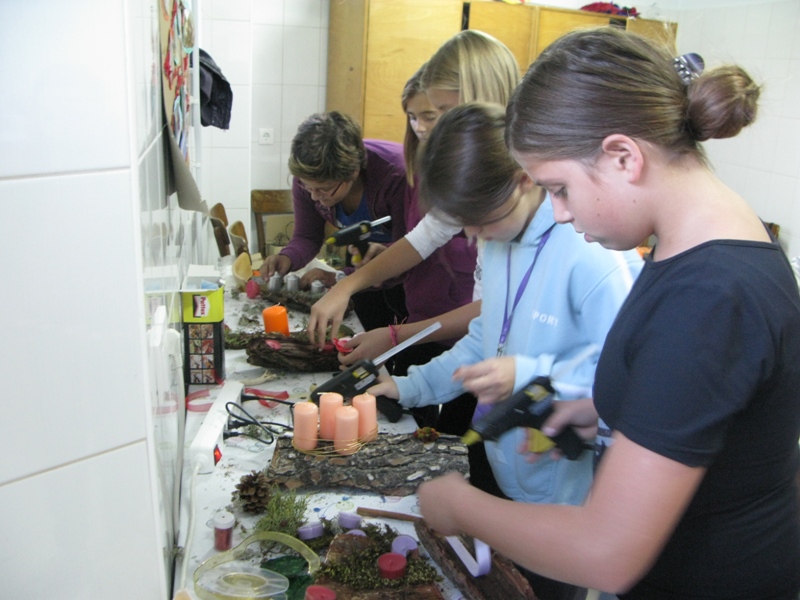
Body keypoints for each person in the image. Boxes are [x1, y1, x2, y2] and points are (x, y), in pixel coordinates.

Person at [417, 28, 800, 599]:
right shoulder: (701, 248)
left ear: (623, 156)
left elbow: (606, 553)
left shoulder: (711, 295)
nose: (559, 213)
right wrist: (605, 411)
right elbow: (704, 403)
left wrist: (459, 505)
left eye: (560, 188)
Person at [369, 102, 642, 600]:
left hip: (569, 503)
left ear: (523, 180)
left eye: (479, 221)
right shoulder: (498, 239)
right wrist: (410, 387)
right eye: (462, 224)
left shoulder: (593, 252)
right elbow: (485, 339)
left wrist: (530, 372)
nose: (473, 237)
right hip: (509, 477)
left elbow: (632, 378)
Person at [307, 30, 520, 439]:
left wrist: (395, 337)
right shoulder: (482, 184)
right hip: (482, 369)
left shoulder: (527, 211)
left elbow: (490, 313)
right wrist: (348, 286)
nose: (425, 128)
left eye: (439, 112)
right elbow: (428, 241)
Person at [259, 111, 408, 332]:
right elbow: (307, 236)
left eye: (324, 189)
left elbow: (411, 252)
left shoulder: (397, 178)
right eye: (307, 187)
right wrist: (287, 257)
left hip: (412, 267)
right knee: (363, 328)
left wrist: (340, 277)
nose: (314, 196)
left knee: (402, 334)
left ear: (353, 172)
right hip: (364, 258)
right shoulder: (310, 177)